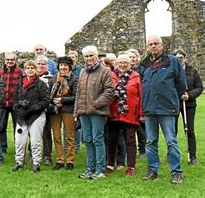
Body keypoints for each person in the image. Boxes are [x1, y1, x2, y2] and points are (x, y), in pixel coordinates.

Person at [139, 36, 186, 184]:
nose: (153, 46)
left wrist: (171, 99)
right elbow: (142, 86)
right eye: (150, 44)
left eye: (156, 44)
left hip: (167, 109)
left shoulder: (173, 61)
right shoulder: (144, 65)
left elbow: (181, 84)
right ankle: (152, 171)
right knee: (150, 141)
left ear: (162, 45)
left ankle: (176, 172)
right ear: (147, 47)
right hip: (149, 109)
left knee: (171, 141)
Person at [74, 45, 114, 180]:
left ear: (96, 55)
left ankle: (100, 169)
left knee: (98, 139)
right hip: (84, 112)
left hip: (97, 112)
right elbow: (79, 93)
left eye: (91, 55)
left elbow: (109, 91)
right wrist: (76, 112)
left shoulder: (105, 71)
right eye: (86, 56)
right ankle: (90, 169)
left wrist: (95, 104)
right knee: (88, 140)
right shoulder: (82, 72)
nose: (89, 58)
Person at [105, 54, 143, 176]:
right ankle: (110, 164)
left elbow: (141, 95)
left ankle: (131, 166)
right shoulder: (111, 76)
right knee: (112, 140)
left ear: (130, 64)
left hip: (130, 114)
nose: (122, 65)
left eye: (125, 62)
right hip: (114, 114)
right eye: (120, 62)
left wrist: (141, 113)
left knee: (130, 140)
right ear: (116, 64)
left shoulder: (136, 77)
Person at [11, 60, 49, 173]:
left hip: (36, 115)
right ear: (24, 69)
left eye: (32, 67)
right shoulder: (19, 83)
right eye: (28, 68)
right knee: (19, 141)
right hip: (22, 115)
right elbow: (15, 99)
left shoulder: (41, 84)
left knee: (35, 141)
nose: (30, 70)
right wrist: (19, 105)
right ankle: (19, 162)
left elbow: (46, 100)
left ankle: (36, 163)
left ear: (36, 69)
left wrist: (34, 107)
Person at [173, 49, 203, 165]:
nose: (179, 59)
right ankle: (172, 155)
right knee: (172, 130)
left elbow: (199, 87)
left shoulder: (192, 71)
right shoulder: (171, 71)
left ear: (185, 58)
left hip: (189, 104)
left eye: (181, 57)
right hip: (174, 103)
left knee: (189, 130)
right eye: (177, 57)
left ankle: (192, 156)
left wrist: (189, 95)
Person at [48, 56, 78, 171]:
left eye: (65, 65)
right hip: (55, 110)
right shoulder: (53, 79)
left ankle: (70, 160)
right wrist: (54, 101)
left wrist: (62, 100)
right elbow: (48, 95)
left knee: (69, 136)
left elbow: (75, 97)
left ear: (69, 67)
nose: (63, 67)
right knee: (56, 136)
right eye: (61, 65)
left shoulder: (74, 79)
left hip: (68, 110)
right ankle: (60, 160)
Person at [0, 52, 23, 154]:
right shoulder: (0, 72)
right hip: (2, 103)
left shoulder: (20, 72)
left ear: (15, 60)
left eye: (12, 60)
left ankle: (18, 147)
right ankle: (3, 147)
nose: (10, 61)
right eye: (8, 60)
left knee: (17, 127)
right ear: (5, 60)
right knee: (1, 126)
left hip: (15, 103)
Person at [127, 48, 146, 158]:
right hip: (128, 103)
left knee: (141, 129)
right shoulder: (124, 71)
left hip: (139, 102)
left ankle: (142, 150)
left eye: (134, 57)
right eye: (130, 57)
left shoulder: (141, 70)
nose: (132, 59)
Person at [35, 55, 53, 166]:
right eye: (39, 64)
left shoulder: (52, 78)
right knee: (33, 134)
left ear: (47, 66)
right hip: (33, 110)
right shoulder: (31, 77)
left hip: (46, 109)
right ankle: (33, 155)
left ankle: (47, 156)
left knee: (46, 133)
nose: (41, 66)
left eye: (43, 64)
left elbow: (52, 93)